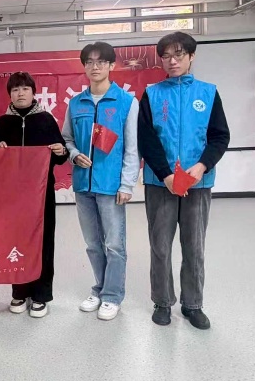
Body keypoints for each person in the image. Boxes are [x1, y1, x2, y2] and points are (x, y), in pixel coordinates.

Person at [138, 32, 230, 330]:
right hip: (160, 183)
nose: (172, 61)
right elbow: (146, 139)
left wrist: (202, 166)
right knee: (160, 246)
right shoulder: (152, 94)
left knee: (194, 246)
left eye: (178, 55)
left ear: (191, 56)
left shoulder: (208, 93)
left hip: (197, 183)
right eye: (166, 56)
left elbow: (220, 136)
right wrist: (165, 174)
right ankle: (162, 301)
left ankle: (193, 304)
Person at [62, 42, 139, 321]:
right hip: (83, 186)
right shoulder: (76, 103)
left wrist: (127, 184)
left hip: (111, 186)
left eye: (101, 62)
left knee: (114, 245)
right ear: (84, 66)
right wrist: (74, 155)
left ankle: (112, 296)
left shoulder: (127, 102)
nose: (95, 67)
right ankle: (100, 288)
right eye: (89, 62)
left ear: (111, 65)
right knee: (93, 244)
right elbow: (66, 139)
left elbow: (132, 147)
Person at [0, 72, 69, 318]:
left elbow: (61, 156)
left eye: (25, 89)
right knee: (16, 241)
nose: (20, 93)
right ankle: (19, 291)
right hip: (12, 196)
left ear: (33, 93)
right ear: (10, 95)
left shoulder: (46, 120)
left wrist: (60, 150)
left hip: (42, 193)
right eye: (15, 90)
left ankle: (41, 295)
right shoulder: (3, 123)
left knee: (43, 241)